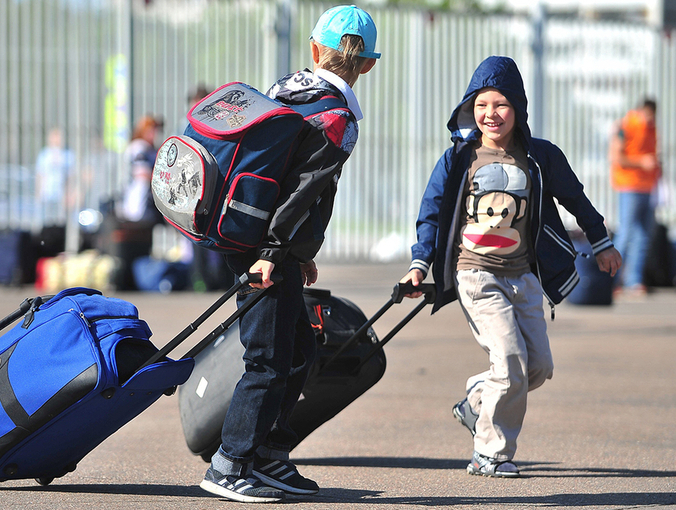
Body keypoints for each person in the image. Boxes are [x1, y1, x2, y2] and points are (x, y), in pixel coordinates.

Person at [400, 56, 621, 478]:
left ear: (517, 108)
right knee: (510, 362)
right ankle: (490, 453)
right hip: (476, 275)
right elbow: (432, 214)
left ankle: (476, 401)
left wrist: (601, 242)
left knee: (536, 367)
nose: (491, 114)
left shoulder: (540, 157)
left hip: (522, 277)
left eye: (501, 104)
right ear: (469, 108)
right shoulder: (458, 160)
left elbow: (576, 199)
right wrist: (419, 263)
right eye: (482, 105)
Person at [199, 5, 379, 503]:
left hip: (247, 231)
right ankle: (231, 463)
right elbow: (304, 192)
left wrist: (291, 253)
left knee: (298, 348)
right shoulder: (338, 117)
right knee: (269, 359)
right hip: (267, 249)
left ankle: (265, 454)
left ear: (315, 49)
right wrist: (280, 253)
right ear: (367, 64)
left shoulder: (283, 89)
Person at [609, 98, 661, 298]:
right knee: (626, 232)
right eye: (647, 115)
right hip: (629, 185)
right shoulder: (626, 125)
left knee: (643, 235)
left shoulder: (651, 127)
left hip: (647, 186)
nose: (649, 119)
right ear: (641, 110)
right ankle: (613, 280)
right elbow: (616, 157)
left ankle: (634, 280)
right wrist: (642, 162)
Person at [35, 127, 75, 227]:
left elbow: (71, 176)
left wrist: (69, 193)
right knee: (45, 221)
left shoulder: (68, 154)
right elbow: (40, 174)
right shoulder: (44, 154)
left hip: (61, 194)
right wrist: (38, 192)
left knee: (61, 221)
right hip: (47, 193)